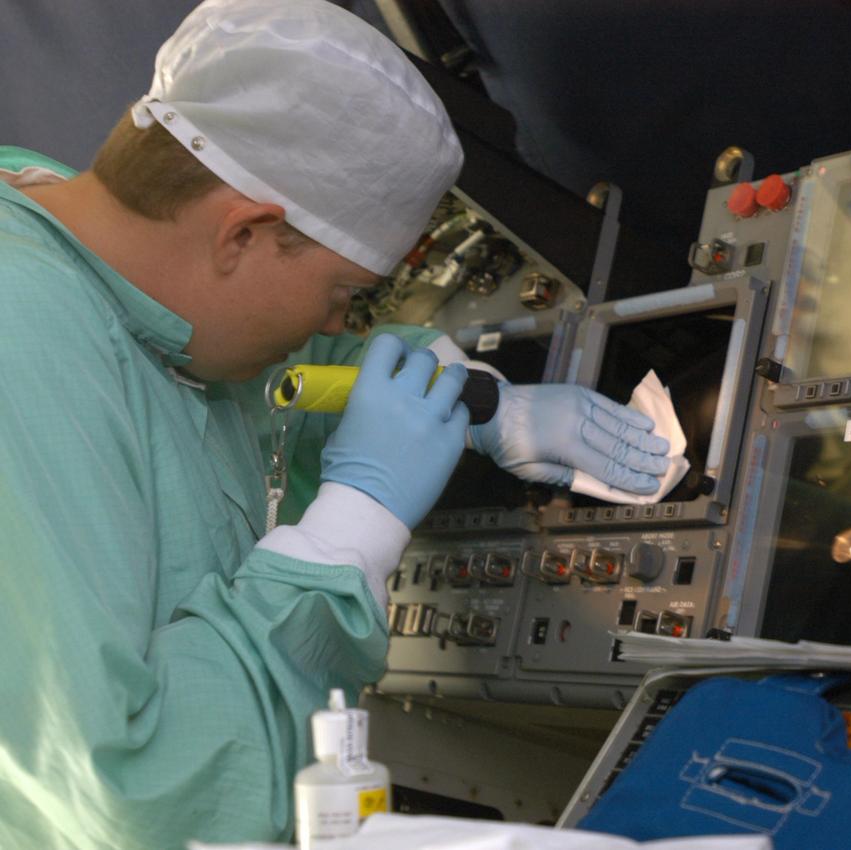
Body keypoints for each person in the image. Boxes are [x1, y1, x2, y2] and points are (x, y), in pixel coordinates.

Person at [0, 1, 669, 847]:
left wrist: (486, 402)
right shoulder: (20, 332)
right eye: (348, 295)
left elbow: (247, 384)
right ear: (244, 230)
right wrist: (354, 529)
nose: (345, 326)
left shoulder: (102, 251)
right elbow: (132, 796)